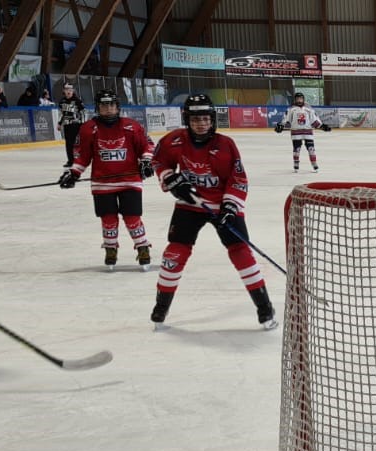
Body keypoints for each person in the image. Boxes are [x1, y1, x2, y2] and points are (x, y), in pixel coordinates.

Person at [149, 94, 275, 329]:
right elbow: (159, 161)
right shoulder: (174, 140)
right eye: (196, 119)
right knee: (174, 253)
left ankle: (264, 308)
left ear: (213, 120)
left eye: (205, 119)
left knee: (241, 252)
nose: (201, 124)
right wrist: (171, 179)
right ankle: (161, 308)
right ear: (187, 120)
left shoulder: (225, 145)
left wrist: (230, 206)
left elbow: (238, 178)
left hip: (221, 205)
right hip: (190, 204)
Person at [59, 89, 156, 271]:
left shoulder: (131, 126)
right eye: (104, 105)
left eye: (111, 104)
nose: (108, 108)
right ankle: (111, 249)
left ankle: (142, 247)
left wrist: (146, 161)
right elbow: (82, 156)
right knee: (108, 218)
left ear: (117, 106)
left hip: (129, 180)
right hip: (102, 183)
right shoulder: (88, 128)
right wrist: (74, 173)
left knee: (132, 217)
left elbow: (147, 146)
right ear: (98, 107)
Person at [272, 92, 325, 173]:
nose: (299, 100)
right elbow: (286, 119)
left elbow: (314, 120)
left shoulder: (309, 109)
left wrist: (322, 126)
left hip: (308, 132)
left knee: (311, 149)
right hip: (296, 132)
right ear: (295, 100)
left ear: (303, 99)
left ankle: (314, 163)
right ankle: (296, 164)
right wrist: (281, 126)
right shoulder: (291, 109)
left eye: (300, 99)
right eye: (297, 99)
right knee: (297, 150)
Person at [56, 83, 87, 168]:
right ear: (64, 91)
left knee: (77, 143)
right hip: (67, 125)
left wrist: (83, 124)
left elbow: (84, 112)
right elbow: (61, 114)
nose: (68, 91)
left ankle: (79, 160)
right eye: (66, 89)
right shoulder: (62, 101)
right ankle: (70, 161)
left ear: (73, 91)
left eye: (70, 90)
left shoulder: (77, 101)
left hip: (76, 125)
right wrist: (59, 123)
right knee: (68, 144)